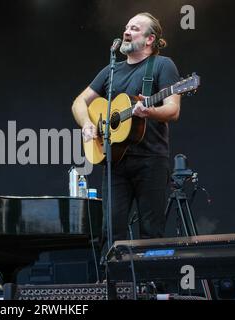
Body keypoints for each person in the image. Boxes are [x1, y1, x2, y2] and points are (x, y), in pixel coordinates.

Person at [71, 13, 181, 245]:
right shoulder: (111, 71)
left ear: (150, 39)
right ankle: (109, 281)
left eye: (135, 28)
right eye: (126, 27)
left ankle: (151, 282)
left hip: (151, 161)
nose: (126, 32)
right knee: (110, 231)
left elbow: (173, 110)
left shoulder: (162, 65)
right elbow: (79, 102)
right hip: (115, 162)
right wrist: (87, 124)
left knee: (151, 231)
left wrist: (149, 111)